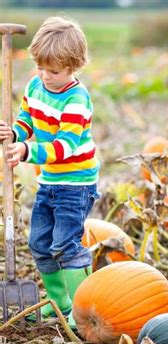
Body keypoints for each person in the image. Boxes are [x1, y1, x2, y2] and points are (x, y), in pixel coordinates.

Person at [0, 17, 100, 326]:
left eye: (53, 71)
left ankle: (83, 308)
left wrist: (27, 150)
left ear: (74, 66)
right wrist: (15, 134)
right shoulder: (36, 85)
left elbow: (64, 146)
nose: (45, 76)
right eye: (40, 68)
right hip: (50, 182)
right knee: (40, 244)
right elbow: (28, 118)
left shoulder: (76, 99)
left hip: (76, 183)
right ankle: (59, 301)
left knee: (65, 245)